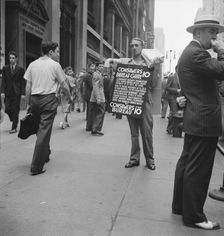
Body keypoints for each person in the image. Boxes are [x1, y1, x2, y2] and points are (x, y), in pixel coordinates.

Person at [172, 14, 224, 230]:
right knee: (199, 170)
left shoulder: (192, 52)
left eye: (216, 33)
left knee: (187, 164)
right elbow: (221, 70)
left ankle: (180, 206)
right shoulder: (197, 53)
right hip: (204, 120)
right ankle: (194, 216)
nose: (215, 36)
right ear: (197, 32)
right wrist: (221, 51)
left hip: (196, 118)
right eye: (211, 32)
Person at [105, 37, 161, 170]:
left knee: (147, 133)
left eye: (136, 45)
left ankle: (150, 160)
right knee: (134, 133)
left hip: (144, 102)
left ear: (142, 47)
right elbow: (110, 61)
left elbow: (153, 85)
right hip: (130, 101)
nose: (134, 47)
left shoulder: (149, 64)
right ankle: (134, 158)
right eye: (132, 45)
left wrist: (156, 68)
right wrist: (108, 62)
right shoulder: (125, 62)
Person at [24, 41, 72, 176]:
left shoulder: (32, 64)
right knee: (44, 131)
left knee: (42, 129)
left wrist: (28, 104)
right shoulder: (55, 65)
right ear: (50, 52)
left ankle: (45, 153)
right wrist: (70, 98)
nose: (58, 54)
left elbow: (28, 87)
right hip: (48, 100)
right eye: (57, 52)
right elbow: (64, 85)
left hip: (34, 100)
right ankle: (36, 167)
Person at [1, 51, 26, 133]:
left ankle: (14, 128)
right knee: (7, 109)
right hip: (8, 92)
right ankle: (13, 118)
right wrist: (2, 92)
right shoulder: (5, 68)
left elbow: (22, 82)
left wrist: (23, 93)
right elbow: (3, 81)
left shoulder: (20, 69)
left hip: (16, 93)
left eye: (13, 58)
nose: (11, 59)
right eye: (10, 58)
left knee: (15, 110)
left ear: (16, 59)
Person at [89, 61, 105, 136]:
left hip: (98, 97)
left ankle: (95, 129)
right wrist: (99, 98)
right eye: (100, 66)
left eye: (103, 66)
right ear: (97, 67)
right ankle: (95, 129)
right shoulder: (96, 75)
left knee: (97, 113)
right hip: (98, 98)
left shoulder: (99, 74)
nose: (102, 67)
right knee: (100, 113)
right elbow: (95, 87)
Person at [166, 69, 181, 134]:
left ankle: (171, 128)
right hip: (172, 97)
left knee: (174, 113)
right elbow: (167, 87)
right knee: (173, 112)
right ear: (177, 69)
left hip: (178, 98)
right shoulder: (172, 76)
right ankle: (170, 128)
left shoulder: (180, 77)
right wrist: (176, 90)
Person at [82, 63, 95, 131]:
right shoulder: (89, 75)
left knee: (89, 111)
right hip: (90, 95)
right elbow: (92, 86)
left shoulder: (88, 75)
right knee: (90, 111)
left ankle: (89, 126)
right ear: (89, 68)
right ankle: (89, 126)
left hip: (88, 95)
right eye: (92, 66)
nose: (93, 68)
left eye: (94, 66)